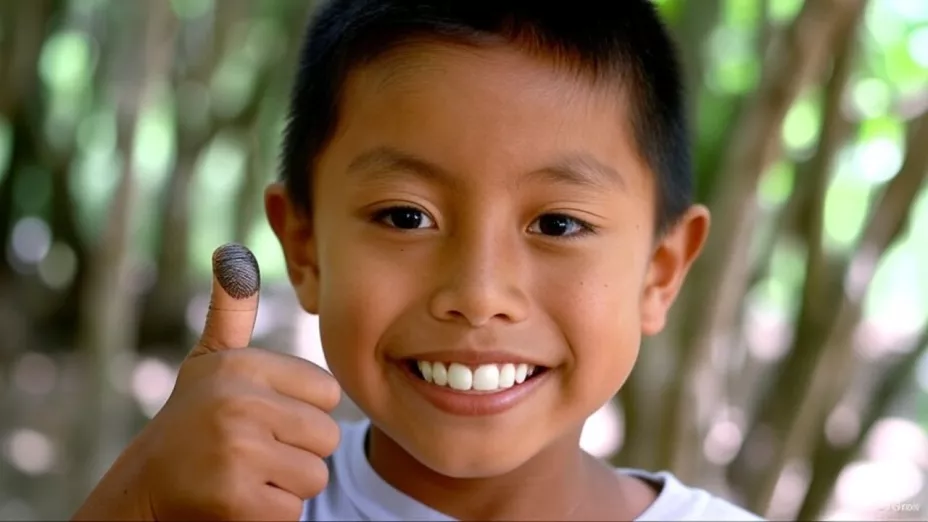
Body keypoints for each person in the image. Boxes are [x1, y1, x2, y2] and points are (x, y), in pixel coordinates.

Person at [73, 1, 765, 520]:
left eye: (558, 223)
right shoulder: (217, 505)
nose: (478, 292)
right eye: (406, 217)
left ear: (660, 271)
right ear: (305, 248)